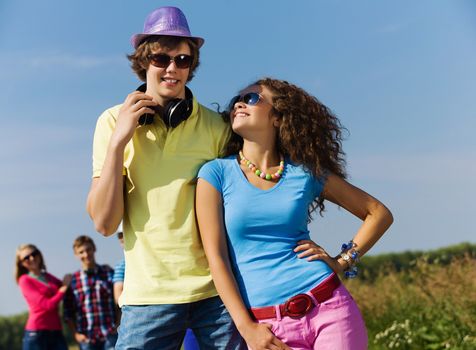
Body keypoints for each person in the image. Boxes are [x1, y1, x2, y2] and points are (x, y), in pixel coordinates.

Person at [86, 6, 245, 349]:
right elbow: (103, 222)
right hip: (148, 297)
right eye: (161, 58)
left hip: (215, 293)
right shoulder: (111, 123)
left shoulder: (217, 128)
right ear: (144, 62)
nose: (172, 69)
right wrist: (119, 143)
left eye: (183, 60)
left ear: (192, 66)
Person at [196, 78, 394, 349]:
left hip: (330, 308)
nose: (240, 103)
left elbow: (378, 213)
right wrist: (247, 328)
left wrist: (343, 260)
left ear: (277, 117)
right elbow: (216, 258)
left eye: (253, 98)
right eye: (236, 101)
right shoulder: (215, 173)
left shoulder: (305, 173)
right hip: (269, 328)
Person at [63, 235, 117, 350]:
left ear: (94, 249)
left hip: (109, 334)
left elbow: (118, 301)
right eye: (81, 252)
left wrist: (118, 323)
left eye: (88, 249)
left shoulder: (108, 272)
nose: (86, 254)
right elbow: (68, 312)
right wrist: (75, 334)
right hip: (86, 338)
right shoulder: (73, 280)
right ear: (76, 255)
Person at [15, 244, 71, 350]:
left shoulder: (48, 277)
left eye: (34, 254)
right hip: (36, 334)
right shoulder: (25, 280)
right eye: (26, 257)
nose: (32, 258)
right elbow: (47, 305)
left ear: (39, 254)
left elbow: (68, 287)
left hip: (56, 331)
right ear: (21, 263)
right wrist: (62, 289)